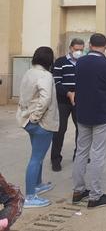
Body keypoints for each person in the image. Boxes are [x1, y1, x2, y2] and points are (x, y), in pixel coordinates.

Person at [72, 33, 106, 209]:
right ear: (105, 46)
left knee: (81, 152)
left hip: (82, 113)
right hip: (101, 115)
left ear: (90, 45)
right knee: (98, 153)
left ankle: (78, 191)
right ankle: (95, 196)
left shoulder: (80, 62)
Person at [16, 46, 59, 208]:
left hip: (27, 120)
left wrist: (30, 117)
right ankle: (30, 196)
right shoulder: (45, 75)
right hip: (41, 123)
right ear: (49, 60)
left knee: (38, 155)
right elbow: (45, 98)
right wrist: (36, 117)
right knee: (36, 158)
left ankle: (38, 184)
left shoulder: (29, 72)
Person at [50, 38, 85, 172]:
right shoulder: (60, 62)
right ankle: (55, 159)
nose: (79, 52)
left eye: (81, 49)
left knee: (81, 129)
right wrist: (68, 93)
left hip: (79, 101)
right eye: (77, 49)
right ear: (70, 48)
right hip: (63, 101)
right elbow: (56, 82)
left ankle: (79, 155)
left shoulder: (83, 62)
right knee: (60, 130)